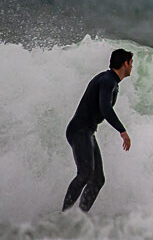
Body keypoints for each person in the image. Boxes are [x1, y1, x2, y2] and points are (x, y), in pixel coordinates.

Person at [61, 49, 133, 212]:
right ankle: (64, 214)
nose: (132, 67)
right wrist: (122, 131)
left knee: (98, 179)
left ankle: (79, 216)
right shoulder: (108, 81)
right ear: (125, 63)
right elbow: (105, 108)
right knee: (85, 173)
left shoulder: (109, 80)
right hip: (79, 130)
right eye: (131, 63)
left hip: (87, 132)